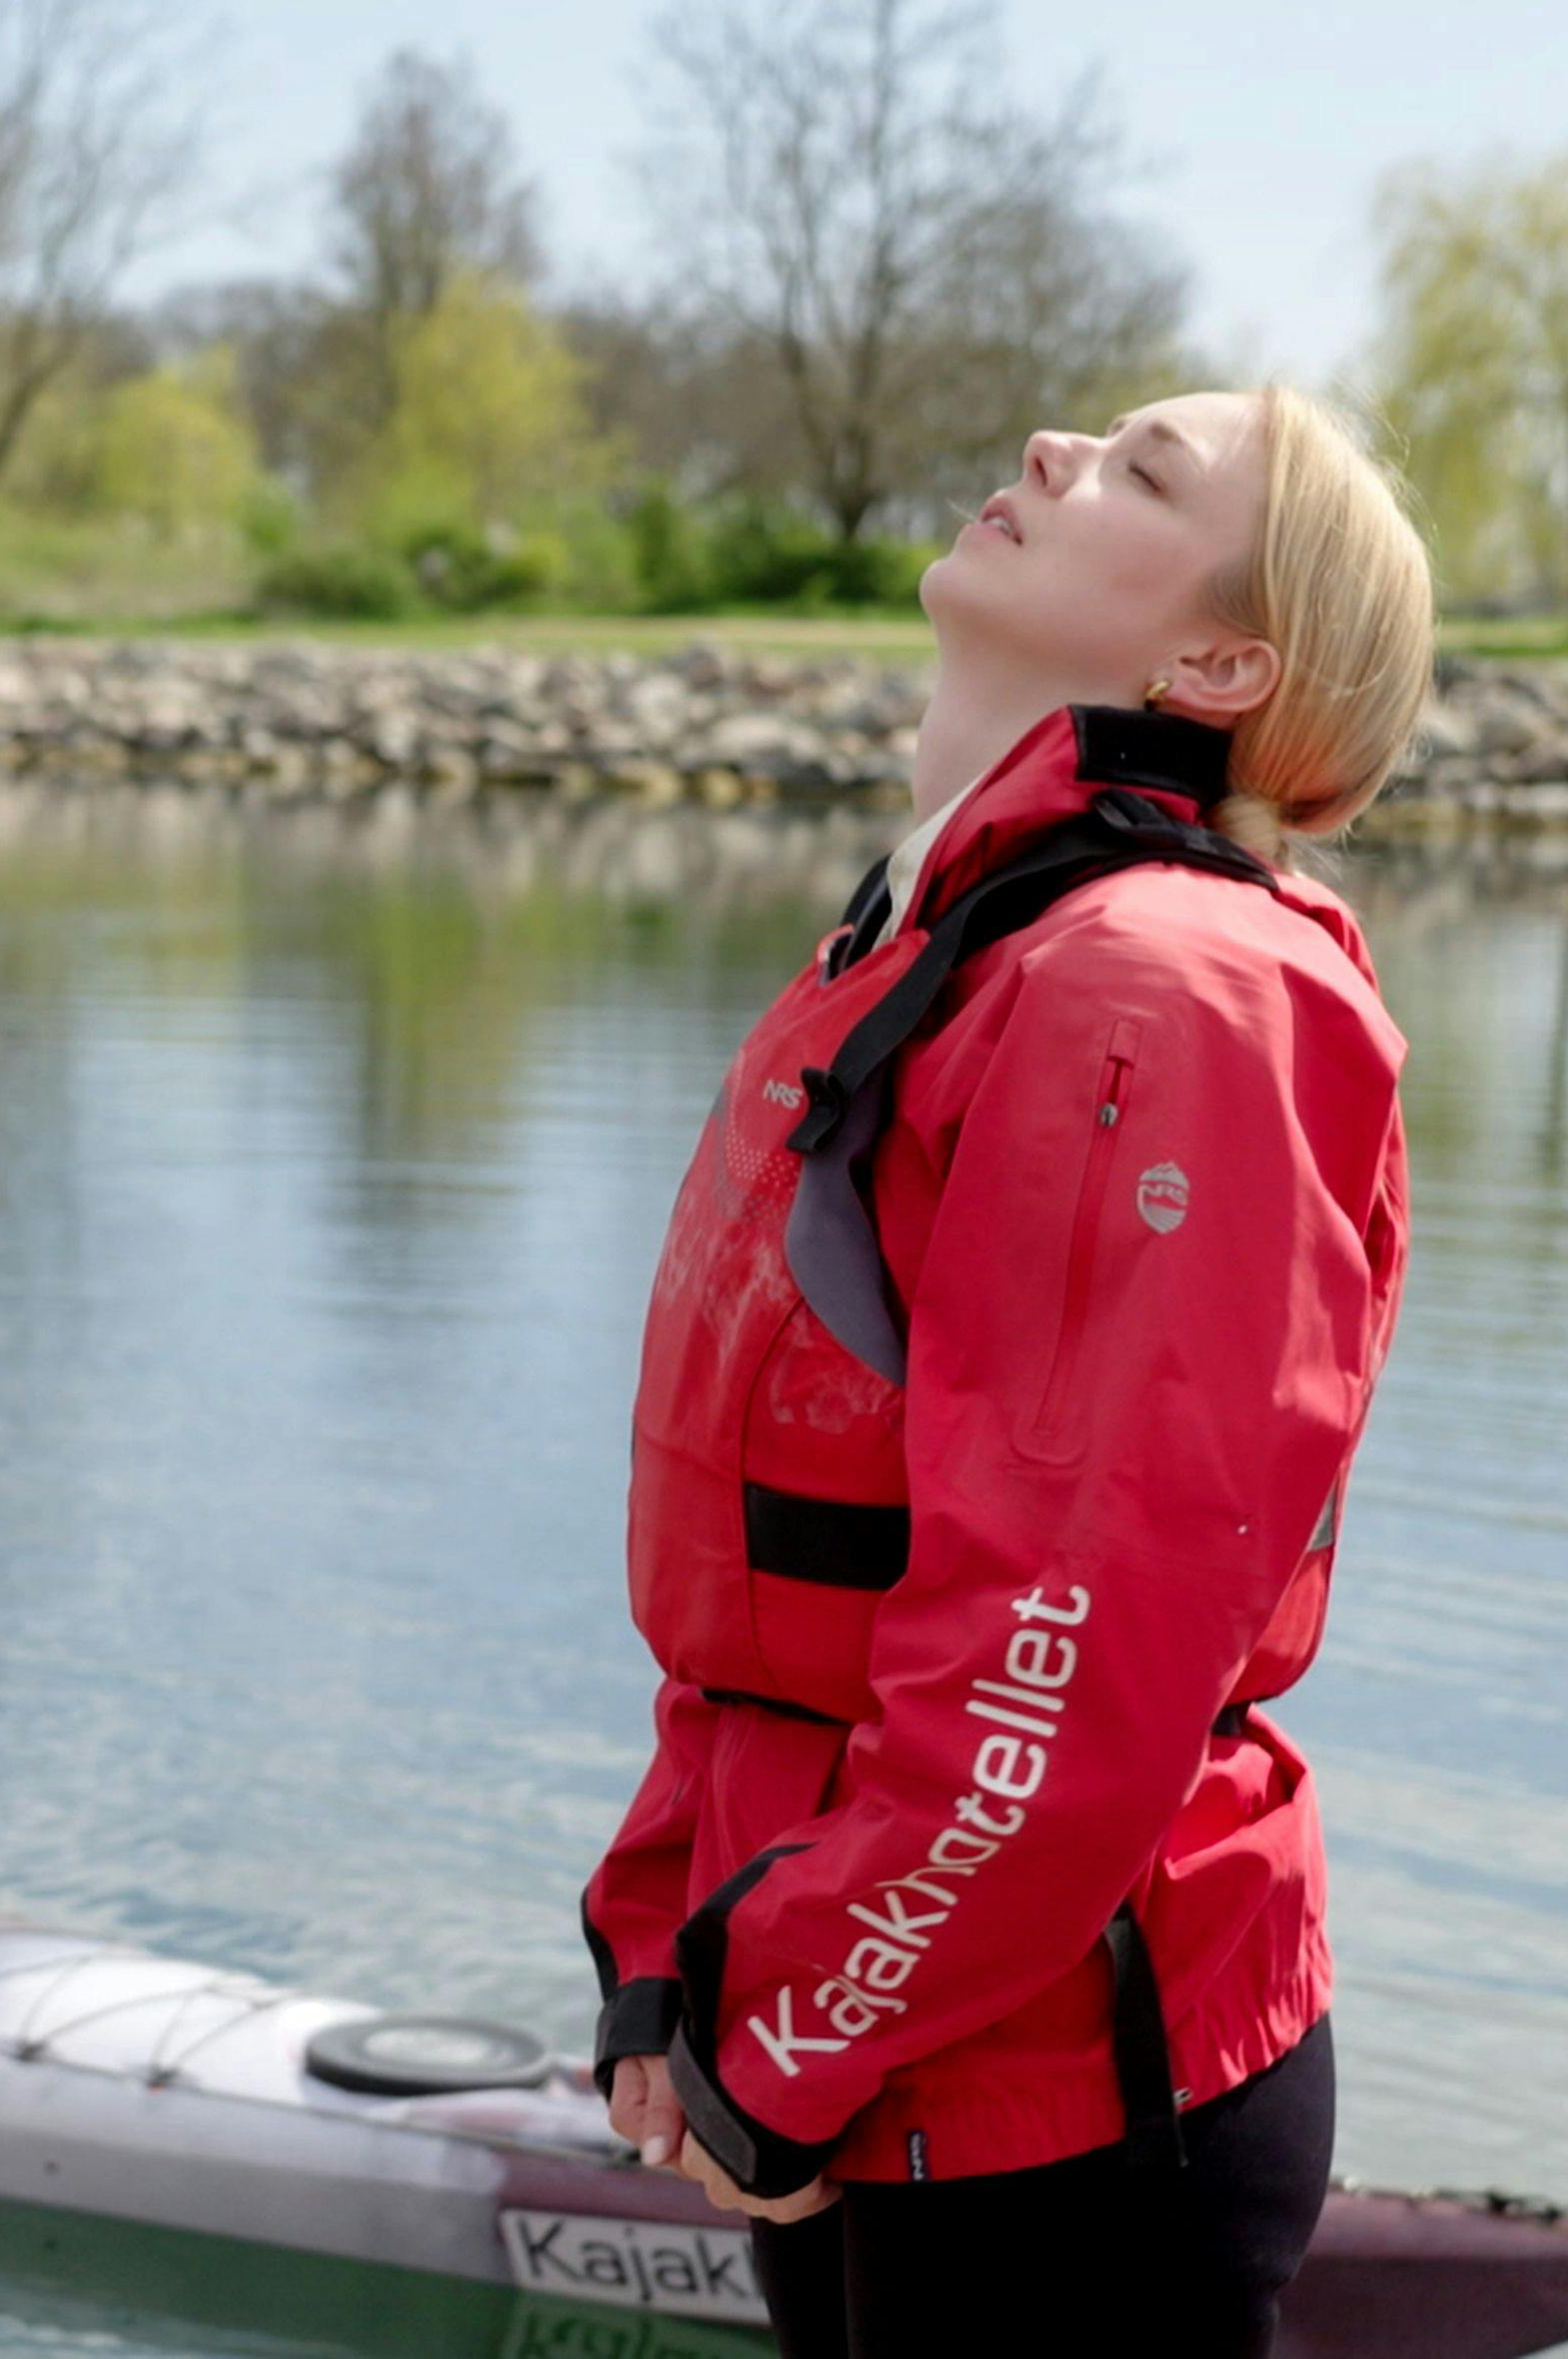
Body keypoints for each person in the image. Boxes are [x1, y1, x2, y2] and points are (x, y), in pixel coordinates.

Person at [579, 385, 1437, 2358]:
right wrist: (665, 1935)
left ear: (1218, 662)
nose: (1052, 445)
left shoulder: (1159, 988)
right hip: (878, 2022)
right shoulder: (953, 935)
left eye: (1141, 470)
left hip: (1053, 2083)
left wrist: (785, 2021)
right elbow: (782, 1571)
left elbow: (1064, 1649)